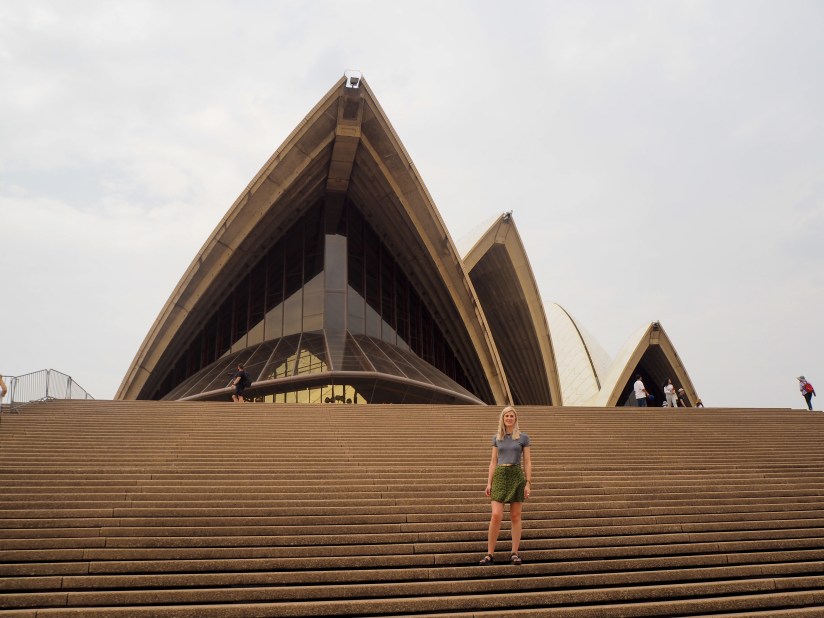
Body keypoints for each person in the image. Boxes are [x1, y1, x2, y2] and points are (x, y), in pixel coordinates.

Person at [480, 406, 532, 566]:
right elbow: (493, 461)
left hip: (516, 474)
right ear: (502, 419)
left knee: (516, 516)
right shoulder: (497, 438)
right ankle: (490, 554)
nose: (509, 418)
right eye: (506, 416)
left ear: (515, 419)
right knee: (496, 515)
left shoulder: (523, 438)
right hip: (500, 475)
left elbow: (528, 461)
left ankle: (514, 553)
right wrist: (489, 482)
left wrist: (528, 483)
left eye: (511, 416)